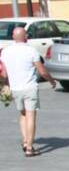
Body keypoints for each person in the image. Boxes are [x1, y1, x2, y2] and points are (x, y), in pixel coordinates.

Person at [0, 26, 57, 157]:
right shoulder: (31, 51)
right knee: (31, 115)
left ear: (13, 37)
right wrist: (52, 81)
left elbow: (4, 74)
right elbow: (42, 71)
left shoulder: (5, 52)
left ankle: (25, 142)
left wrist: (4, 86)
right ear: (25, 37)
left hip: (15, 88)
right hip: (30, 88)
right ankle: (30, 148)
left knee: (23, 114)